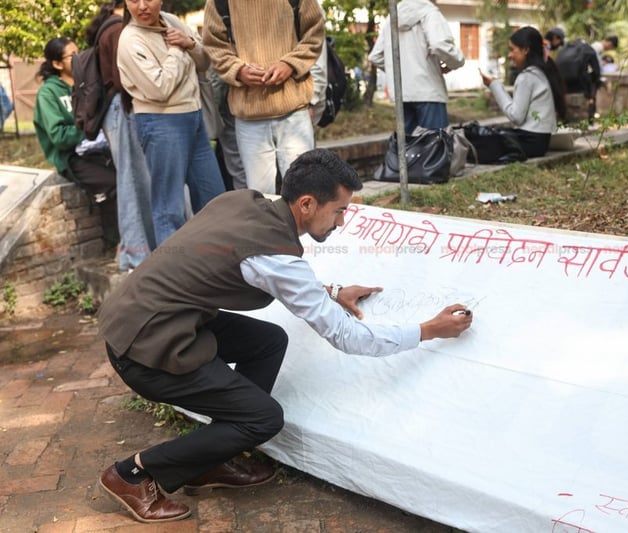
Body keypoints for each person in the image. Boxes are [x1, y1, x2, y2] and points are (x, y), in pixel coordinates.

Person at [96, 148, 473, 524]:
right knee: (263, 420)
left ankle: (207, 461)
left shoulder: (243, 202)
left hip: (145, 318)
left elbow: (272, 275)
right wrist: (427, 330)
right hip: (145, 348)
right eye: (339, 210)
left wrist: (331, 291)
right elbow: (346, 336)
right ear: (307, 204)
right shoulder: (274, 255)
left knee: (268, 342)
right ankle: (133, 473)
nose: (341, 222)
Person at [117, 0, 225, 247]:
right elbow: (159, 88)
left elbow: (204, 63)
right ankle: (172, 279)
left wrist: (189, 44)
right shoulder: (130, 39)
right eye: (134, 0)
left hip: (193, 117)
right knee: (169, 208)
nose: (143, 6)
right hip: (161, 122)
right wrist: (178, 51)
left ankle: (220, 265)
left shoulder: (171, 21)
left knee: (214, 199)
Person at [203, 0, 325, 195]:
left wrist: (290, 64)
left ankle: (304, 228)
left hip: (293, 109)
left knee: (305, 192)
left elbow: (315, 33)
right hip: (249, 114)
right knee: (260, 197)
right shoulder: (219, 2)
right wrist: (238, 70)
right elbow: (213, 45)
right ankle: (271, 227)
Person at [90, 0, 157, 272]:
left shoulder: (108, 27)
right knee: (132, 182)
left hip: (117, 110)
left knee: (133, 181)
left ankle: (135, 254)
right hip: (123, 107)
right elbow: (124, 79)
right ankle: (137, 257)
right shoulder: (119, 30)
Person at [33, 37, 116, 206]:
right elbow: (59, 136)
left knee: (134, 178)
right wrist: (90, 131)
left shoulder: (88, 83)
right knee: (117, 184)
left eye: (80, 53)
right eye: (73, 56)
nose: (79, 59)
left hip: (103, 149)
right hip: (72, 158)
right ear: (57, 64)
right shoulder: (48, 94)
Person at [368, 0, 465, 135]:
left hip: (402, 94)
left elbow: (375, 57)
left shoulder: (393, 17)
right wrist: (457, 61)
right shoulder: (430, 13)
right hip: (429, 92)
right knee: (435, 147)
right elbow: (439, 44)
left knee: (409, 150)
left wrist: (400, 71)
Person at [480, 27, 566, 159]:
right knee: (493, 133)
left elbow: (516, 116)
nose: (509, 55)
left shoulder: (527, 77)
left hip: (530, 142)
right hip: (540, 141)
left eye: (512, 49)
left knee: (480, 141)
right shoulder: (541, 72)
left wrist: (494, 86)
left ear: (525, 50)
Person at [554, 37, 601, 122]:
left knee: (564, 125)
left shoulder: (563, 50)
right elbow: (597, 72)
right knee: (581, 125)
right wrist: (591, 86)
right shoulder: (588, 49)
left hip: (562, 93)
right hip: (581, 91)